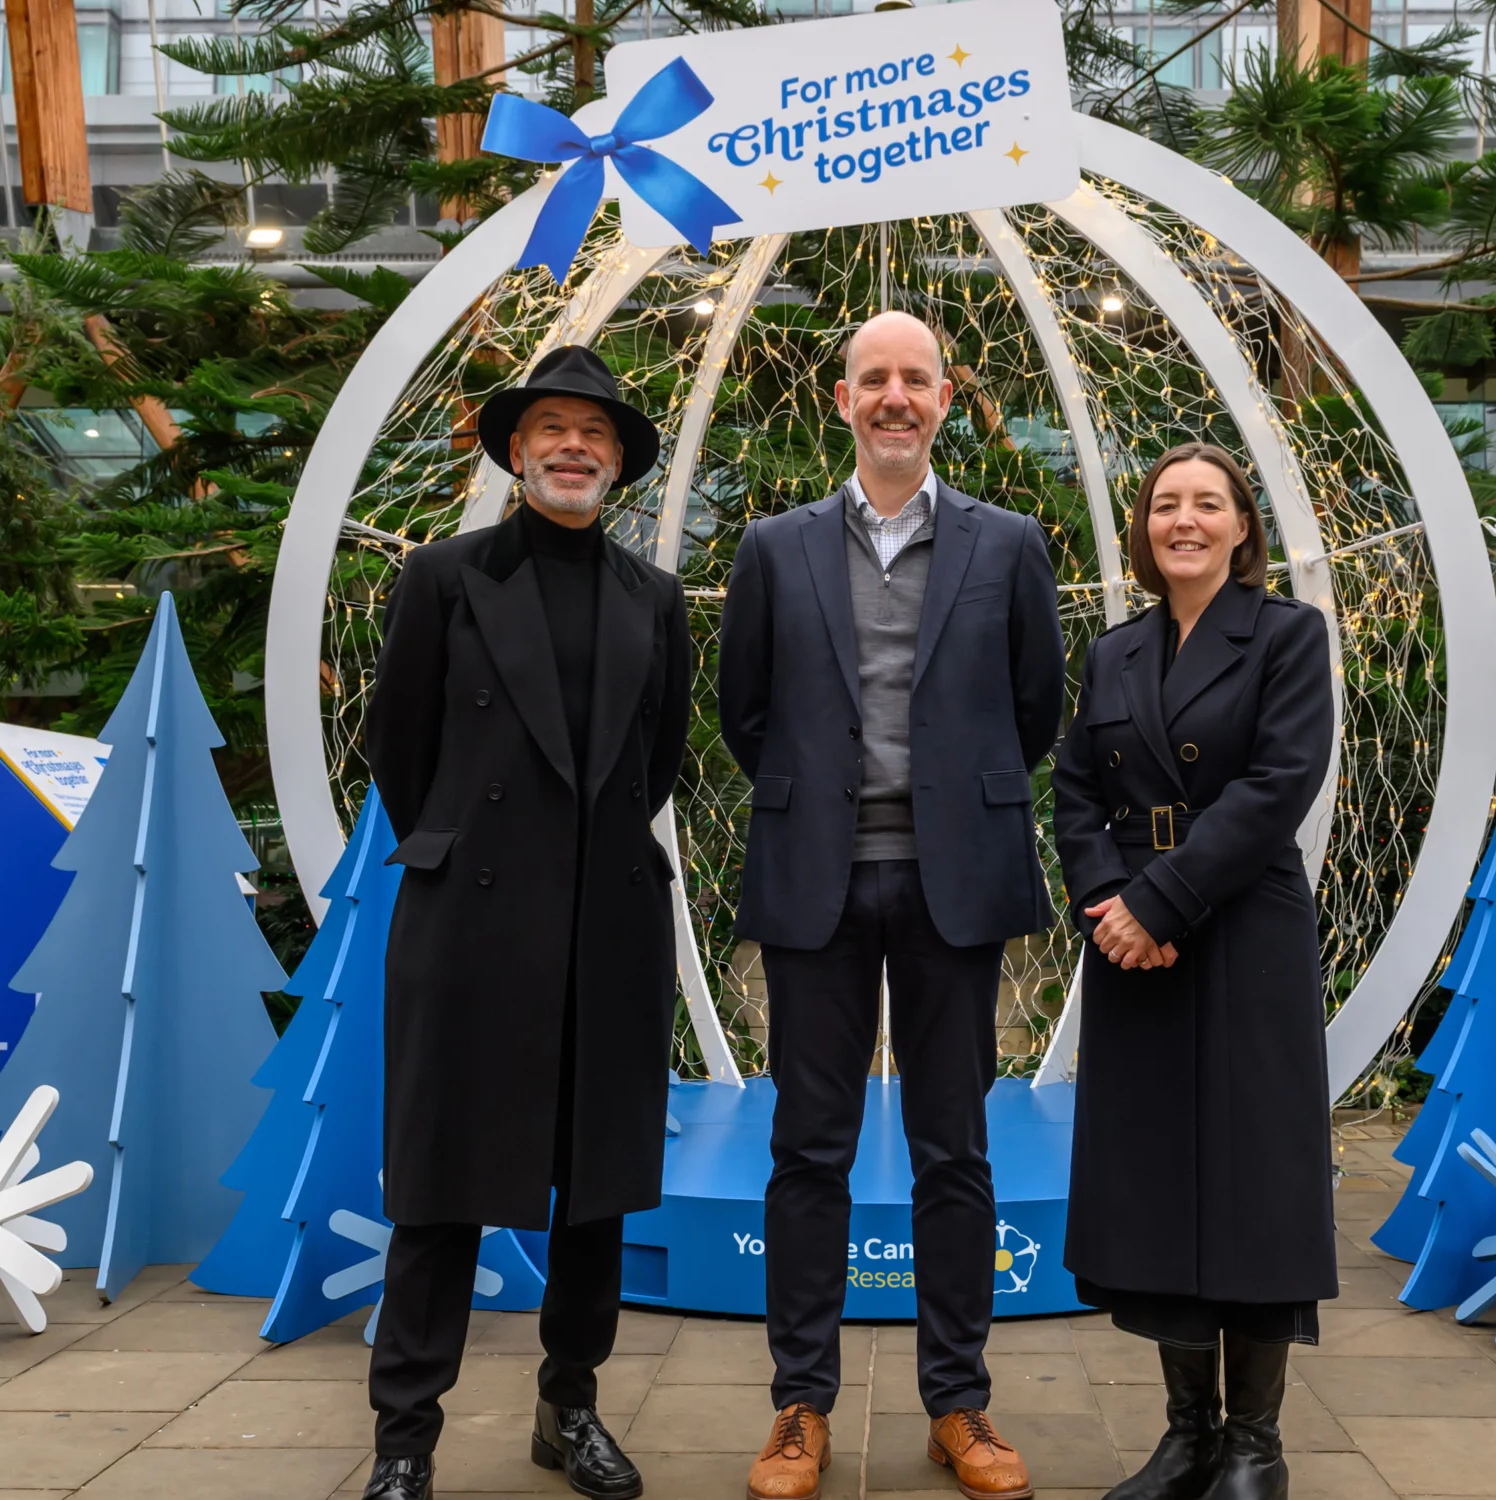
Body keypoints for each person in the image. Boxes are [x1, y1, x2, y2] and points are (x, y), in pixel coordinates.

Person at [716, 311, 1068, 1500]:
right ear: (841, 397)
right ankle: (797, 1408)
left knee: (952, 1152)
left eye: (915, 378)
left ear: (946, 396)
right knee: (805, 1152)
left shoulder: (1008, 542)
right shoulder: (772, 546)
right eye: (874, 378)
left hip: (950, 884)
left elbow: (1033, 711)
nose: (895, 397)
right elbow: (742, 711)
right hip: (813, 881)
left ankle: (957, 1406)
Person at [361, 345, 693, 1500]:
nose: (571, 447)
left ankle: (570, 1408)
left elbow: (655, 763)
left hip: (606, 923)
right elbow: (399, 753)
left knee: (592, 1189)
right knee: (444, 1187)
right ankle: (404, 1439)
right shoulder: (443, 579)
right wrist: (467, 843)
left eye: (594, 434)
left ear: (617, 466)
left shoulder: (654, 598)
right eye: (551, 428)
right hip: (472, 924)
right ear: (514, 450)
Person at [1050, 443, 1338, 1500]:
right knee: (1159, 1179)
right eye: (1164, 503)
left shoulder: (1287, 636)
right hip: (1130, 931)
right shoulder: (1112, 652)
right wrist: (1110, 909)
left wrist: (1161, 901)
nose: (1183, 519)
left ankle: (1254, 1445)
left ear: (1240, 527)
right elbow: (1074, 789)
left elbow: (1277, 785)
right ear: (1143, 528)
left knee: (1253, 1176)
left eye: (1204, 503)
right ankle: (1187, 1436)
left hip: (1241, 922)